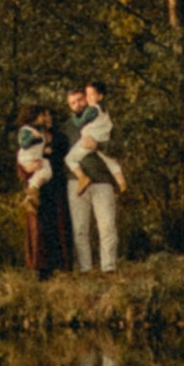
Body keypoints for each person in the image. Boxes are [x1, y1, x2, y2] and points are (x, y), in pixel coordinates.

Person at [65, 81, 125, 272]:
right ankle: (85, 269)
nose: (78, 105)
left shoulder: (104, 120)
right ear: (69, 106)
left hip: (102, 180)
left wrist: (98, 146)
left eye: (81, 100)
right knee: (80, 229)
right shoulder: (66, 128)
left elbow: (119, 149)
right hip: (75, 183)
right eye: (73, 103)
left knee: (107, 226)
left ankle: (108, 268)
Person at [14, 107, 68, 275]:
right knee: (38, 228)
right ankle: (41, 269)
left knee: (57, 225)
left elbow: (63, 161)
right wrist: (26, 168)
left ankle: (61, 265)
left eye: (49, 115)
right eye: (44, 115)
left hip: (56, 187)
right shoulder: (30, 134)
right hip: (36, 188)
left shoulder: (59, 138)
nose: (47, 118)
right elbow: (22, 158)